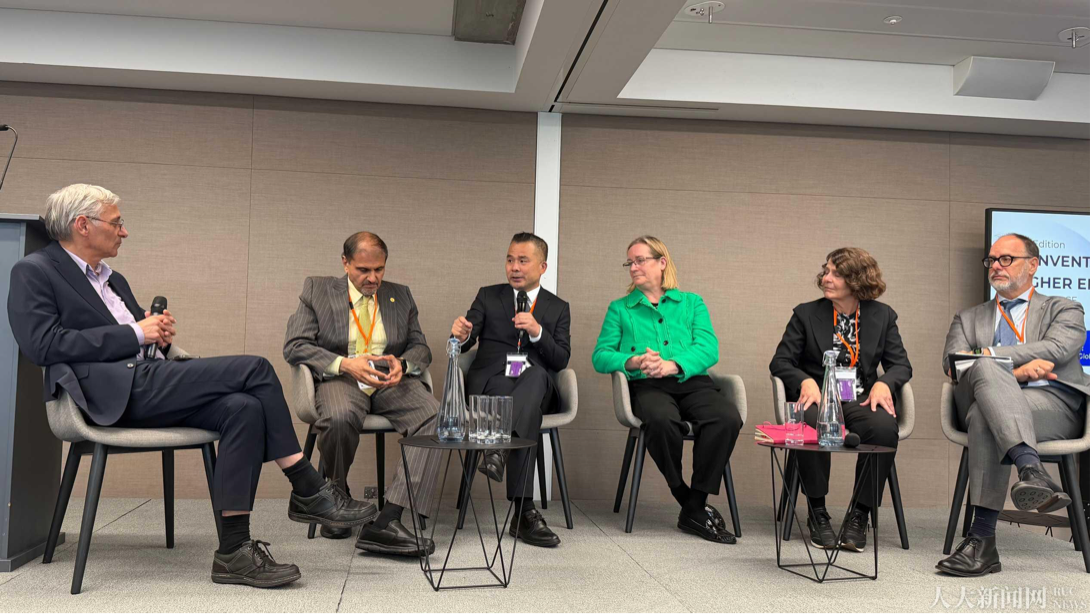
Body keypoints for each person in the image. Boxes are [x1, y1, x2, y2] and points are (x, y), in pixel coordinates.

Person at [7, 184, 375, 589]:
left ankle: (234, 552)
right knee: (256, 368)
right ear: (82, 225)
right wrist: (136, 333)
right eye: (116, 223)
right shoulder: (35, 271)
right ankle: (307, 486)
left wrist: (158, 339)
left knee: (244, 408)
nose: (124, 231)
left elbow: (135, 338)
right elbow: (41, 345)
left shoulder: (114, 279)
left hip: (148, 378)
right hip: (107, 394)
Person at [937, 233, 1090, 577]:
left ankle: (982, 542)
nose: (996, 266)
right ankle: (1031, 469)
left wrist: (988, 354)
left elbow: (1056, 348)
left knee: (984, 411)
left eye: (1006, 259)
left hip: (1050, 405)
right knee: (985, 397)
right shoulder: (968, 318)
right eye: (991, 260)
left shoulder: (1064, 308)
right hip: (986, 398)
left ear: (1033, 265)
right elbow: (952, 364)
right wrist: (1015, 371)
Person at [284, 232, 440, 555]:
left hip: (388, 380)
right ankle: (335, 498)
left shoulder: (400, 295)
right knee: (339, 416)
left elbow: (421, 347)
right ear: (345, 263)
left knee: (434, 416)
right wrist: (344, 364)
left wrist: (403, 363)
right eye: (363, 270)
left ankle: (388, 518)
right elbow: (295, 345)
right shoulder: (317, 290)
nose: (372, 278)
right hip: (342, 377)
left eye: (379, 270)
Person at [592, 236, 741, 544]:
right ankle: (684, 496)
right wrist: (633, 361)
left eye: (640, 260)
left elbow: (709, 348)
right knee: (661, 421)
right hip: (647, 386)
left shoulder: (692, 303)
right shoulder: (620, 309)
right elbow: (600, 356)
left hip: (691, 382)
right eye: (630, 262)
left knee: (726, 418)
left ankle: (695, 503)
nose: (633, 267)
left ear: (662, 262)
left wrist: (673, 365)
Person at [769, 247, 910, 552]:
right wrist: (805, 380)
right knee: (810, 424)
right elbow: (780, 362)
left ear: (857, 280)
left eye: (836, 273)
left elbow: (901, 365)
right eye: (826, 270)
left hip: (859, 398)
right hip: (818, 397)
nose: (826, 278)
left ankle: (859, 514)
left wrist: (884, 383)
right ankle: (817, 511)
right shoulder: (806, 314)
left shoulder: (883, 316)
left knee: (884, 428)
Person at [450, 232, 570, 547]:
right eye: (509, 259)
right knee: (519, 402)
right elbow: (466, 340)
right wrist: (460, 336)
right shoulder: (488, 296)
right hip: (490, 383)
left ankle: (498, 447)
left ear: (542, 267)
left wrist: (538, 332)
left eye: (523, 261)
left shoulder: (558, 308)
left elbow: (561, 359)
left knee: (535, 376)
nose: (514, 267)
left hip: (536, 387)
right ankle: (524, 512)